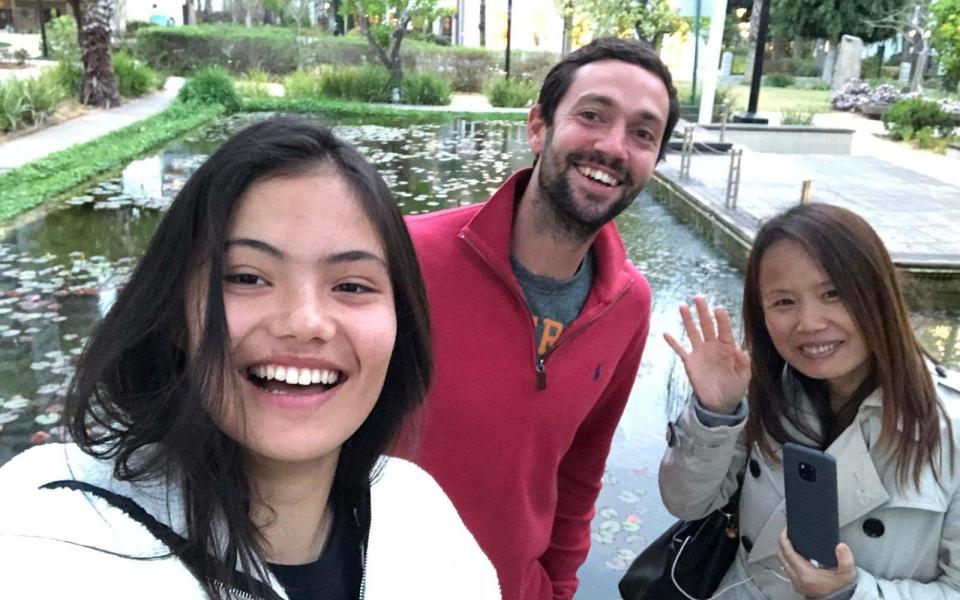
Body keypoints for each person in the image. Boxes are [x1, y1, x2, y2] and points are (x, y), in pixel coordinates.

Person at [0, 118, 500, 600]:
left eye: (351, 285)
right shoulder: (53, 540)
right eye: (247, 277)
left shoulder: (421, 517)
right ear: (175, 313)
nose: (305, 322)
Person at [398, 37, 680, 600]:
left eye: (642, 134)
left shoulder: (629, 304)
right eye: (592, 115)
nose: (613, 146)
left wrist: (557, 588)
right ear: (538, 127)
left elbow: (579, 474)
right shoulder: (408, 256)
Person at [660, 202, 960, 599]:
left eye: (833, 293)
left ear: (879, 294)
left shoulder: (948, 428)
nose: (810, 323)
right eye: (784, 302)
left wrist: (851, 593)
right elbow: (687, 503)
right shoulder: (763, 393)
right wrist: (715, 414)